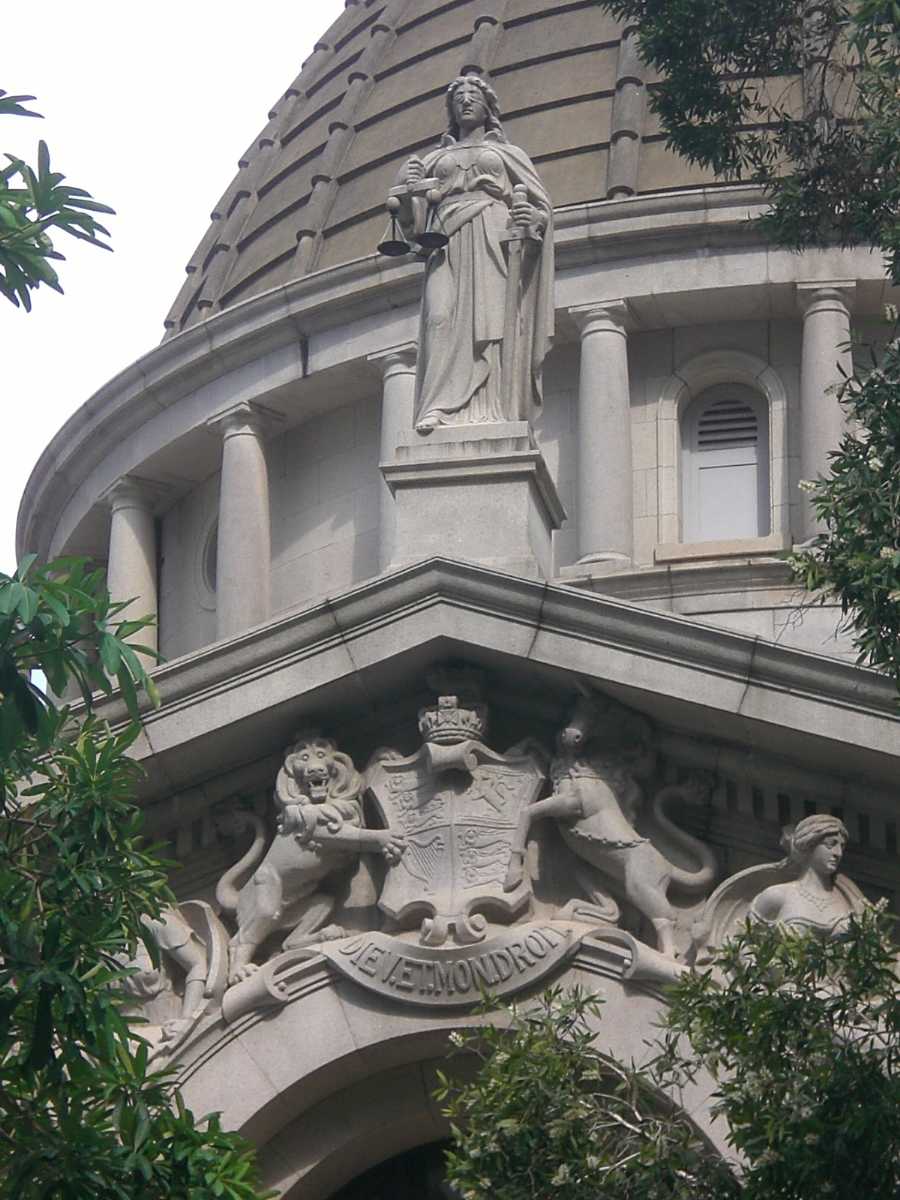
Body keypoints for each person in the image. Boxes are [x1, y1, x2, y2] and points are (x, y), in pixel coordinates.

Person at [391, 75, 554, 432]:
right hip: (445, 242)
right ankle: (438, 404)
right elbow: (412, 225)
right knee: (439, 318)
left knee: (493, 320)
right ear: (450, 110)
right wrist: (406, 188)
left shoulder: (509, 155)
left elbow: (541, 211)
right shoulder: (435, 159)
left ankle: (491, 407)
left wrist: (532, 219)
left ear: (488, 106)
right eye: (459, 97)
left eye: (473, 96)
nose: (465, 101)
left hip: (492, 235)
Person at [749, 814, 857, 936]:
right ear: (809, 845)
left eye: (841, 846)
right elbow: (747, 946)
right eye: (830, 844)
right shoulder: (777, 895)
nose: (838, 853)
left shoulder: (848, 899)